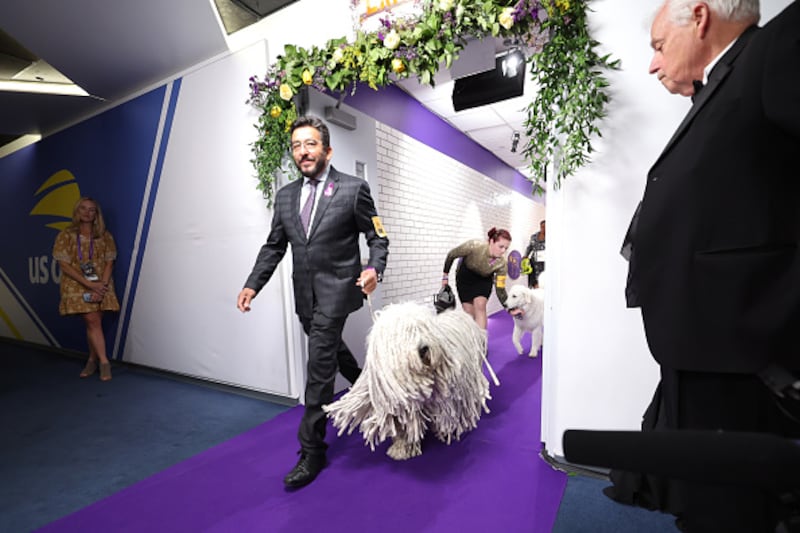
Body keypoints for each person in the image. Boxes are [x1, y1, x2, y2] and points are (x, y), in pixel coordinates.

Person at [612, 1, 800, 531]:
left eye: (657, 46)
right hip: (705, 348)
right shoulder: (724, 83)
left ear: (699, 18)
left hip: (744, 353)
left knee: (734, 511)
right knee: (706, 503)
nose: (653, 63)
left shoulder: (775, 50)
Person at [237, 115, 389, 489]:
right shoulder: (286, 196)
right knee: (332, 349)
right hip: (305, 295)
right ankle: (370, 388)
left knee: (319, 367)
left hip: (338, 291)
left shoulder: (353, 189)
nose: (303, 151)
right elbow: (274, 246)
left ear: (327, 151)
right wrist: (253, 285)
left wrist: (374, 269)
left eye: (310, 144)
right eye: (296, 146)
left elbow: (378, 237)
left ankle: (312, 451)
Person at [53, 197, 120, 381]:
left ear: (96, 214)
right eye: (83, 208)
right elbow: (64, 265)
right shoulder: (66, 235)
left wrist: (102, 286)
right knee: (92, 320)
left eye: (91, 210)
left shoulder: (105, 236)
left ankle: (91, 360)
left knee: (94, 322)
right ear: (77, 211)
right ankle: (104, 362)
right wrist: (90, 285)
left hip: (101, 283)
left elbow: (109, 262)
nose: (87, 213)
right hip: (77, 284)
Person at [441, 227, 511, 330]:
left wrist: (508, 307)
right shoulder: (474, 246)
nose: (503, 251)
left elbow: (500, 288)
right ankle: (473, 337)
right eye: (501, 246)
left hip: (484, 280)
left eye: (506, 248)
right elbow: (451, 255)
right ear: (492, 241)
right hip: (465, 278)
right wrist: (445, 276)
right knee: (469, 314)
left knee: (480, 305)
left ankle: (482, 339)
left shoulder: (502, 264)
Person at [523, 219, 545, 288]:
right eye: (542, 227)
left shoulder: (552, 238)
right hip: (534, 263)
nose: (544, 229)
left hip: (544, 264)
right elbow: (529, 247)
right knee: (533, 282)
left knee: (542, 282)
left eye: (545, 227)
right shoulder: (534, 236)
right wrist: (525, 255)